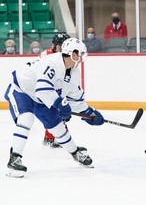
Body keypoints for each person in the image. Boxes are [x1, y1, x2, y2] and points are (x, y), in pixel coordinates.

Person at [4, 37, 105, 178]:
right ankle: (14, 158)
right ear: (73, 54)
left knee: (57, 126)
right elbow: (42, 89)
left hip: (41, 98)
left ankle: (75, 152)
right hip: (21, 90)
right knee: (26, 119)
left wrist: (89, 113)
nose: (82, 58)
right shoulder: (52, 63)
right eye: (81, 54)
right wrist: (59, 104)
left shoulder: (74, 72)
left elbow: (75, 100)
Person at [37, 32, 71, 148]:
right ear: (55, 45)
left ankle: (52, 137)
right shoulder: (46, 54)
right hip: (46, 87)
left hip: (59, 86)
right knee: (53, 113)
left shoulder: (66, 57)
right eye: (59, 45)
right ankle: (53, 138)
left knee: (60, 112)